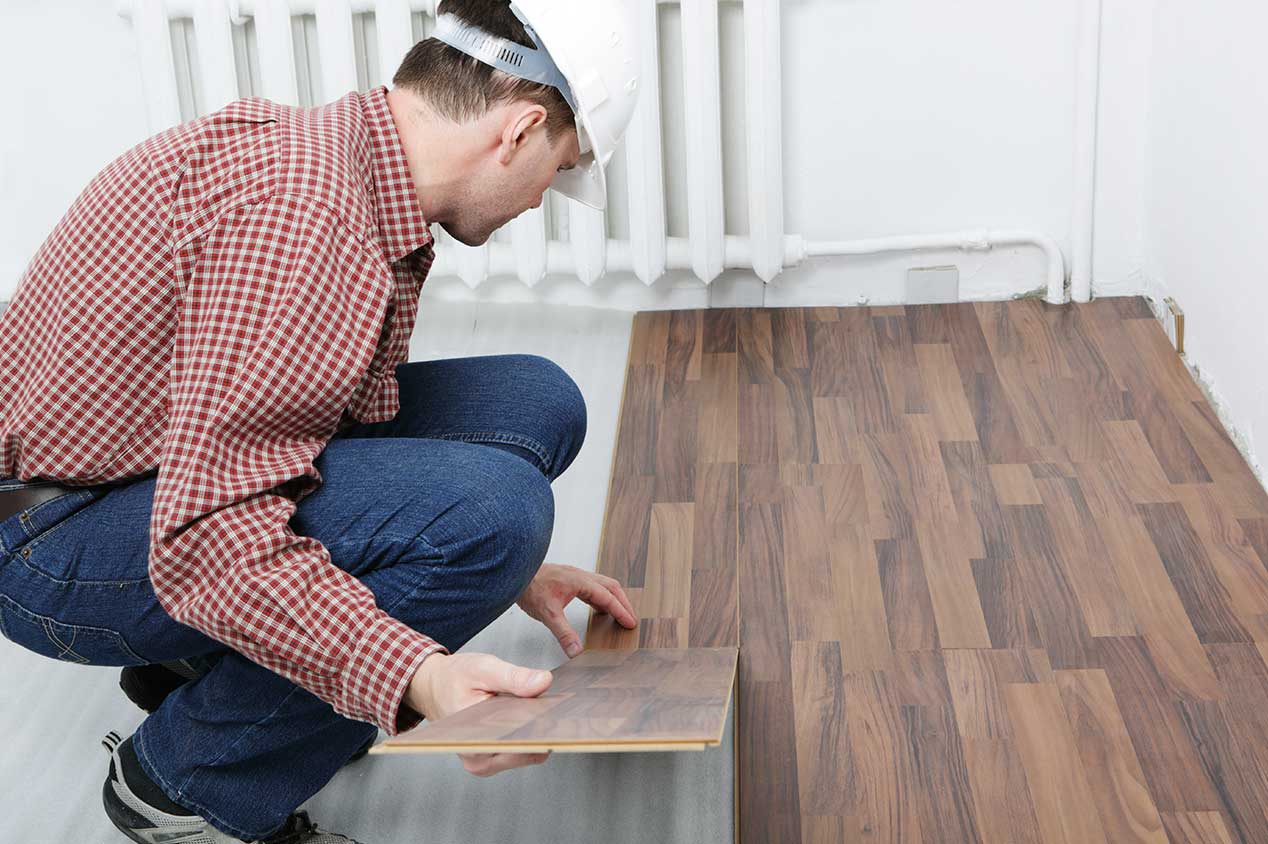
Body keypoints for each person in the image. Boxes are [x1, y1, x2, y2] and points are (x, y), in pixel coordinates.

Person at [0, 0, 642, 841]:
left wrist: (506, 571)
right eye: (558, 170)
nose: (542, 198)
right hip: (58, 541)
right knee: (493, 513)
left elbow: (312, 408)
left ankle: (220, 661)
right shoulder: (307, 223)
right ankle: (185, 783)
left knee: (535, 408)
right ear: (519, 131)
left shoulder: (344, 157)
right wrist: (419, 671)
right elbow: (208, 539)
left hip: (147, 468)